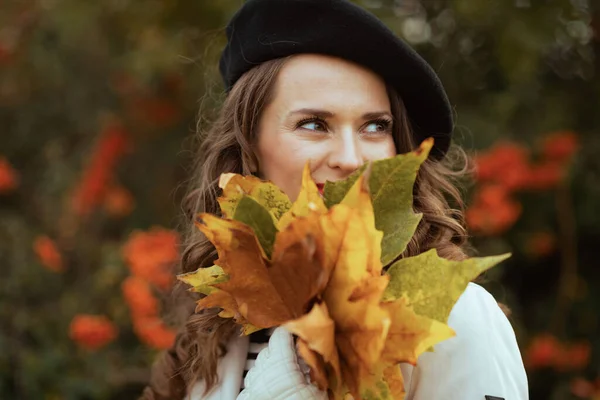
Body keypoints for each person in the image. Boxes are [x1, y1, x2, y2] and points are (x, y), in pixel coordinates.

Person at [141, 0, 529, 399]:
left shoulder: (450, 316)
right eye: (314, 124)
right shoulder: (213, 327)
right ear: (249, 147)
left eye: (375, 126)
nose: (350, 158)